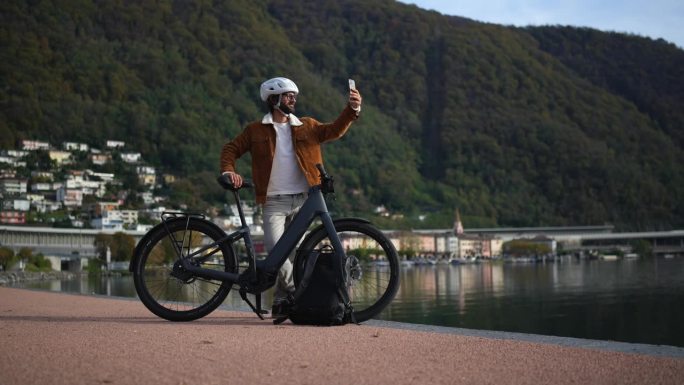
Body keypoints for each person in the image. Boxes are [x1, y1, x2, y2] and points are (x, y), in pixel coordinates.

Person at [220, 77, 362, 316]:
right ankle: (301, 291)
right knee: (276, 253)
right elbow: (231, 149)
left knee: (296, 256)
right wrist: (229, 170)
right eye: (287, 95)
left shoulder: (307, 125)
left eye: (294, 96)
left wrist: (352, 109)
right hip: (273, 202)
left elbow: (334, 130)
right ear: (273, 99)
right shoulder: (255, 130)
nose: (293, 99)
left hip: (302, 202)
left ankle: (280, 304)